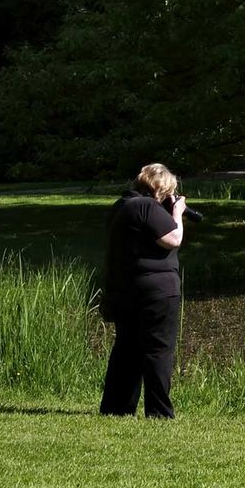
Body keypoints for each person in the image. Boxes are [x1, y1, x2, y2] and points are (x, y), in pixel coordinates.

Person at [100, 163, 188, 418]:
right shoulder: (146, 206)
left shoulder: (122, 206)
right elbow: (174, 239)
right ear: (161, 188)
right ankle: (159, 412)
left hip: (127, 289)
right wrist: (178, 212)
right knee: (158, 349)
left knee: (126, 349)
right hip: (157, 290)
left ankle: (116, 408)